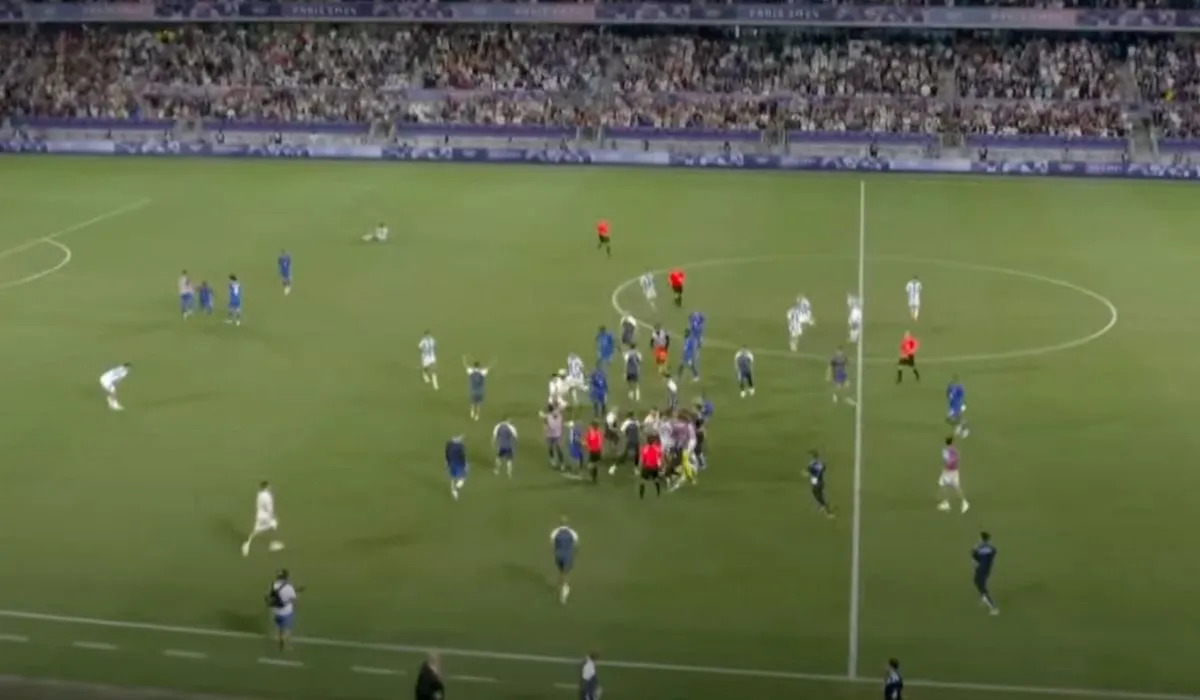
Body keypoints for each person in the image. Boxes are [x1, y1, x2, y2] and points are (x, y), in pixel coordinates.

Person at [243, 481, 283, 556]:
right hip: (267, 516)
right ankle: (273, 544)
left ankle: (247, 543)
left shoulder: (260, 494)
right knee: (274, 525)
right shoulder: (268, 496)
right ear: (266, 487)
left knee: (256, 529)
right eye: (268, 486)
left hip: (259, 515)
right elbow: (269, 508)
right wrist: (272, 516)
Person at [265, 569, 298, 651]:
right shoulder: (290, 588)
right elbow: (294, 600)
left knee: (278, 627)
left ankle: (278, 638)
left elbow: (267, 596)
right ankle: (283, 645)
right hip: (286, 612)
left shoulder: (274, 585)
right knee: (286, 630)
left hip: (275, 611)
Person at [551, 516, 579, 604]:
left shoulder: (555, 532)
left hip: (559, 554)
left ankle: (564, 588)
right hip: (568, 554)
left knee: (562, 571)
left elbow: (553, 544)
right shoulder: (572, 533)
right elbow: (575, 544)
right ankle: (564, 586)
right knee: (565, 572)